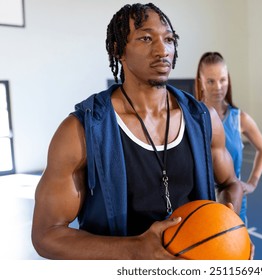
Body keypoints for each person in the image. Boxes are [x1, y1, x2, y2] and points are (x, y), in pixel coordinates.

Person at [31, 3, 245, 260]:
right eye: (146, 38)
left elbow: (231, 183)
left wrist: (230, 235)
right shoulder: (80, 131)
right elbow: (46, 234)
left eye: (169, 39)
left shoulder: (203, 119)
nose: (162, 50)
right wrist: (135, 248)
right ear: (117, 49)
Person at [195, 52, 262, 224]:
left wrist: (252, 183)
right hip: (200, 206)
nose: (218, 87)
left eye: (222, 79)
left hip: (233, 205)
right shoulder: (191, 118)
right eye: (210, 81)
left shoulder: (239, 118)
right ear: (201, 82)